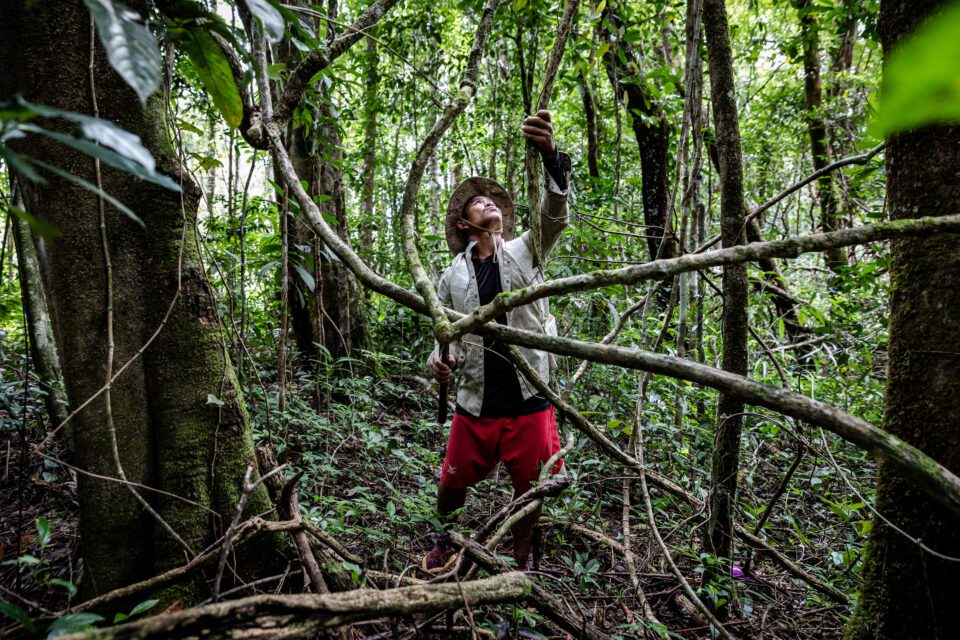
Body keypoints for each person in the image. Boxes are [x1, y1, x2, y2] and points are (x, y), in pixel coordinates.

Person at [423, 110, 570, 572]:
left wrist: (550, 156)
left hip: (529, 396)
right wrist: (438, 361)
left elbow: (553, 216)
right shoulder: (451, 276)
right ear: (464, 224)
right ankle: (444, 541)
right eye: (477, 202)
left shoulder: (527, 249)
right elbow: (445, 336)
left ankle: (523, 556)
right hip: (476, 398)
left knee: (531, 485)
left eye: (492, 201)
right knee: (453, 480)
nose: (487, 202)